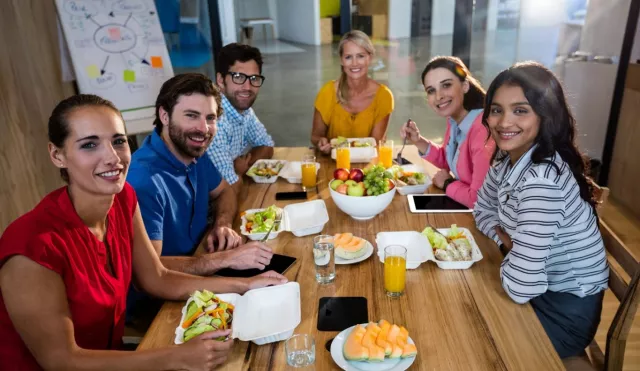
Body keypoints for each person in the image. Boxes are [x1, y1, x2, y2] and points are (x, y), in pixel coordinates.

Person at [0, 94, 287, 370]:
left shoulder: (123, 198)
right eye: (89, 145)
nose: (113, 157)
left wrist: (246, 285)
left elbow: (157, 278)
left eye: (118, 141)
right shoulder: (30, 246)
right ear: (57, 155)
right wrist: (178, 357)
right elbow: (61, 361)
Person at [473, 62, 609, 364]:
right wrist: (506, 246)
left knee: (472, 339)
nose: (504, 121)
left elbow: (521, 287)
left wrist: (516, 253)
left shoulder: (541, 182)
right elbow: (480, 210)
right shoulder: (508, 159)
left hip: (564, 312)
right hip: (539, 288)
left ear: (545, 115)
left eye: (520, 110)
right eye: (496, 110)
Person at [127, 74, 274, 327]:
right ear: (164, 115)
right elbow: (150, 272)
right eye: (191, 115)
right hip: (159, 304)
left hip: (202, 264)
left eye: (210, 118)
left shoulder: (191, 151)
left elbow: (225, 191)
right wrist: (228, 259)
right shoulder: (144, 180)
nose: (203, 129)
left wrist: (223, 224)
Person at [400, 56, 494, 209]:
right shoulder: (455, 119)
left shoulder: (482, 130)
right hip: (464, 209)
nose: (439, 96)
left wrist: (447, 183)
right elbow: (451, 160)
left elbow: (479, 200)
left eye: (446, 85)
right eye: (431, 90)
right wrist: (418, 140)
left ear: (465, 85)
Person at [205, 43, 274, 190]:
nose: (247, 87)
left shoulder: (243, 111)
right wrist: (236, 172)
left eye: (254, 78)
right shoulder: (214, 121)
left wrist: (243, 165)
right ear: (220, 80)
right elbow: (228, 189)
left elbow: (267, 146)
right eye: (238, 77)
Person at [311, 30, 394, 153]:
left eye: (361, 56)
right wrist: (321, 142)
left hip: (367, 165)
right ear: (341, 60)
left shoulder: (384, 96)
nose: (354, 63)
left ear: (370, 58)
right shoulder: (327, 92)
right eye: (348, 57)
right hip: (332, 162)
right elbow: (315, 136)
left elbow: (376, 142)